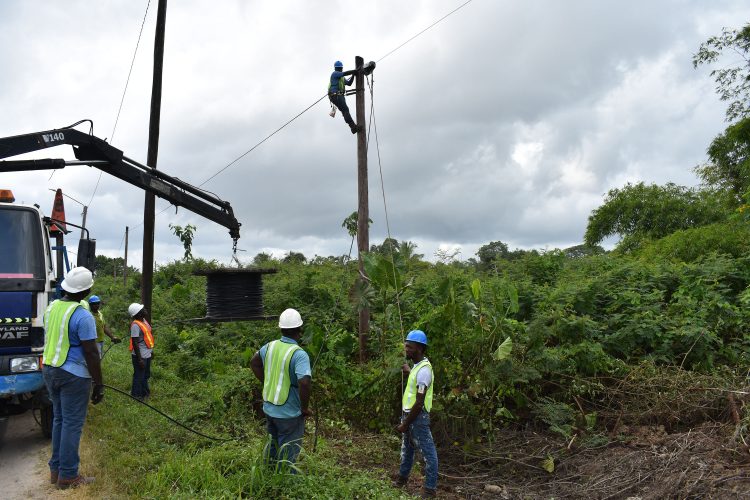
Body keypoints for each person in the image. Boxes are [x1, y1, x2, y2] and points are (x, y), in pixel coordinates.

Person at [42, 266, 104, 489]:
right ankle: (68, 476)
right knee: (71, 424)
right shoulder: (83, 315)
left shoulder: (51, 308)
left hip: (49, 369)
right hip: (73, 376)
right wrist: (99, 383)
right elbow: (91, 352)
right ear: (86, 291)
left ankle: (56, 470)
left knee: (59, 419)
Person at [250, 308, 312, 469]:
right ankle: (285, 484)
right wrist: (304, 408)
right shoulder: (299, 354)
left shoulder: (269, 346)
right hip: (289, 413)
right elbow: (304, 382)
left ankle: (269, 474)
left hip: (269, 408)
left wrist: (267, 381)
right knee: (288, 454)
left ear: (281, 328)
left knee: (273, 445)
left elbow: (254, 362)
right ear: (300, 330)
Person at [393, 330, 438, 498]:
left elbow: (419, 402)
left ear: (419, 348)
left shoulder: (425, 370)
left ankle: (430, 490)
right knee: (407, 450)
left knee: (428, 454)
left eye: (409, 346)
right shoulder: (417, 367)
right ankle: (402, 480)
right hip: (409, 415)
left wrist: (405, 424)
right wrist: (409, 371)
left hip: (417, 417)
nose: (405, 349)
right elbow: (415, 379)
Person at [128, 303, 154, 400]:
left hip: (147, 353)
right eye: (142, 309)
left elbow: (147, 337)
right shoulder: (135, 325)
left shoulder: (144, 321)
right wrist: (139, 359)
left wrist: (151, 351)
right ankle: (136, 395)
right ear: (138, 314)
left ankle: (144, 393)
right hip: (140, 355)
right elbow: (135, 342)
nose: (145, 309)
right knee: (139, 376)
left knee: (145, 375)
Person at [328, 60, 359, 134]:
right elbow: (345, 73)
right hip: (336, 95)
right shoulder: (335, 74)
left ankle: (352, 127)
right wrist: (354, 71)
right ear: (339, 68)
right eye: (339, 69)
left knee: (344, 111)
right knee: (345, 110)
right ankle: (353, 127)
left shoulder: (341, 78)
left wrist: (353, 75)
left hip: (337, 96)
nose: (340, 70)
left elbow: (349, 83)